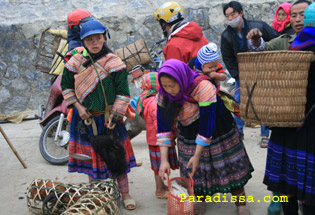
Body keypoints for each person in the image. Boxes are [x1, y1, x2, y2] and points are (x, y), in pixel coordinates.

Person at [157, 59, 254, 215]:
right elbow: (162, 128)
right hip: (188, 130)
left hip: (217, 127)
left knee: (228, 163)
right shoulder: (163, 94)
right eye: (165, 86)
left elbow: (207, 125)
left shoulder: (202, 87)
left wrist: (197, 155)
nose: (170, 90)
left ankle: (240, 202)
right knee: (194, 170)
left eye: (172, 86)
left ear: (182, 79)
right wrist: (164, 160)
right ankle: (201, 198)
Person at [60, 20, 137, 210]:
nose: (95, 43)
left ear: (105, 38)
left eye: (99, 38)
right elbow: (66, 87)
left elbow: (123, 92)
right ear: (83, 41)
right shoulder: (75, 62)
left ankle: (125, 192)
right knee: (92, 158)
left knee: (116, 155)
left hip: (110, 118)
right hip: (85, 119)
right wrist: (78, 107)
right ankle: (98, 195)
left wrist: (116, 115)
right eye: (90, 39)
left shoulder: (114, 62)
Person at [247, 1, 312, 215]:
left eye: (303, 14)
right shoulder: (285, 42)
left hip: (307, 124)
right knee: (286, 182)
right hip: (285, 121)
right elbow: (261, 53)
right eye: (293, 15)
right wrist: (256, 41)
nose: (298, 19)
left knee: (304, 184)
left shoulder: (306, 44)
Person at [221, 1, 277, 145]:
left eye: (232, 14)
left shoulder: (259, 26)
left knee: (264, 101)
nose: (230, 18)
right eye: (227, 16)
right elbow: (227, 58)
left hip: (263, 72)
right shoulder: (226, 35)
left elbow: (275, 41)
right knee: (239, 102)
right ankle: (239, 131)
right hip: (242, 74)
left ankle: (265, 134)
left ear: (241, 13)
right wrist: (237, 75)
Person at [135, 72, 178, 199]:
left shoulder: (145, 99)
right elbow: (159, 125)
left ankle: (162, 186)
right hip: (159, 141)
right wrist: (171, 135)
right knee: (160, 166)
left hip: (153, 140)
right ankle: (159, 190)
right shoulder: (155, 102)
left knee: (157, 166)